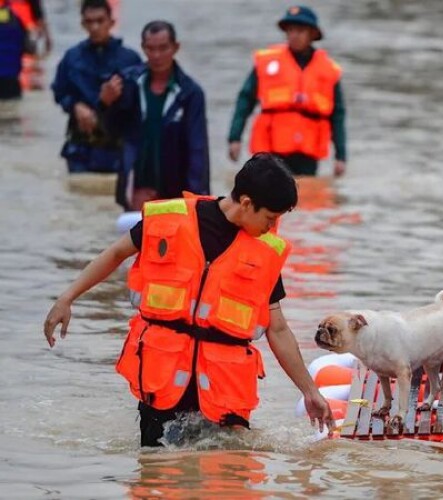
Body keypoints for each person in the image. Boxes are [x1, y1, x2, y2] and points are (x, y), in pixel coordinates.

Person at [43, 153, 336, 447]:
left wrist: (310, 391)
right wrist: (67, 298)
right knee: (155, 469)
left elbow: (278, 329)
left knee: (229, 470)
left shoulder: (264, 252)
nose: (272, 227)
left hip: (224, 392)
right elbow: (116, 253)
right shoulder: (170, 220)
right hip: (163, 382)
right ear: (247, 203)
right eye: (270, 218)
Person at [99, 20, 209, 210]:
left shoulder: (190, 93)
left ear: (175, 47)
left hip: (176, 196)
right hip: (135, 192)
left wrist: (198, 202)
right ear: (143, 48)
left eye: (163, 48)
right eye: (150, 49)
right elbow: (111, 133)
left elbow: (197, 151)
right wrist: (104, 104)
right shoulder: (128, 84)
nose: (156, 55)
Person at [227, 5, 347, 178]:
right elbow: (245, 101)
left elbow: (338, 115)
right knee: (267, 191)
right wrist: (234, 138)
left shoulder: (329, 70)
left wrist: (340, 156)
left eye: (300, 30)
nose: (294, 35)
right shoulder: (267, 62)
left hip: (307, 153)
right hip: (270, 148)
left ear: (312, 34)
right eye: (290, 30)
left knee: (305, 192)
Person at [51, 0, 141, 174]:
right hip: (80, 151)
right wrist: (74, 105)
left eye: (100, 21)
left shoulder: (130, 60)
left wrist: (110, 102)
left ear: (111, 22)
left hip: (117, 152)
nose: (95, 27)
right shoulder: (72, 58)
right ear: (82, 24)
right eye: (89, 22)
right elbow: (59, 91)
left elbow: (139, 104)